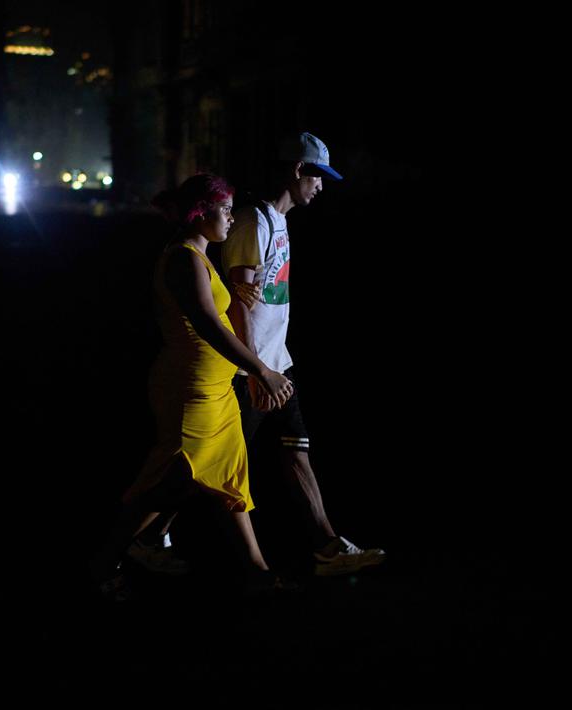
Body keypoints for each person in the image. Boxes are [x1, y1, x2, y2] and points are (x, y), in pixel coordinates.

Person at [132, 133, 386, 577]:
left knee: (292, 451)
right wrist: (256, 370)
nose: (321, 186)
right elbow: (237, 304)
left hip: (274, 363)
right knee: (203, 469)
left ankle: (323, 547)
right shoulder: (251, 222)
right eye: (317, 176)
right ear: (296, 171)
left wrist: (272, 364)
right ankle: (142, 540)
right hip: (255, 368)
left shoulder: (276, 221)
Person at [90, 174, 295, 600]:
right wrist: (262, 371)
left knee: (231, 480)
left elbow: (218, 314)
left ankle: (257, 570)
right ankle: (102, 564)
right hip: (191, 392)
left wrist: (239, 295)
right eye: (224, 210)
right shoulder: (184, 258)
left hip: (215, 394)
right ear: (199, 213)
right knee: (166, 483)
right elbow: (207, 325)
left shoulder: (201, 256)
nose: (231, 219)